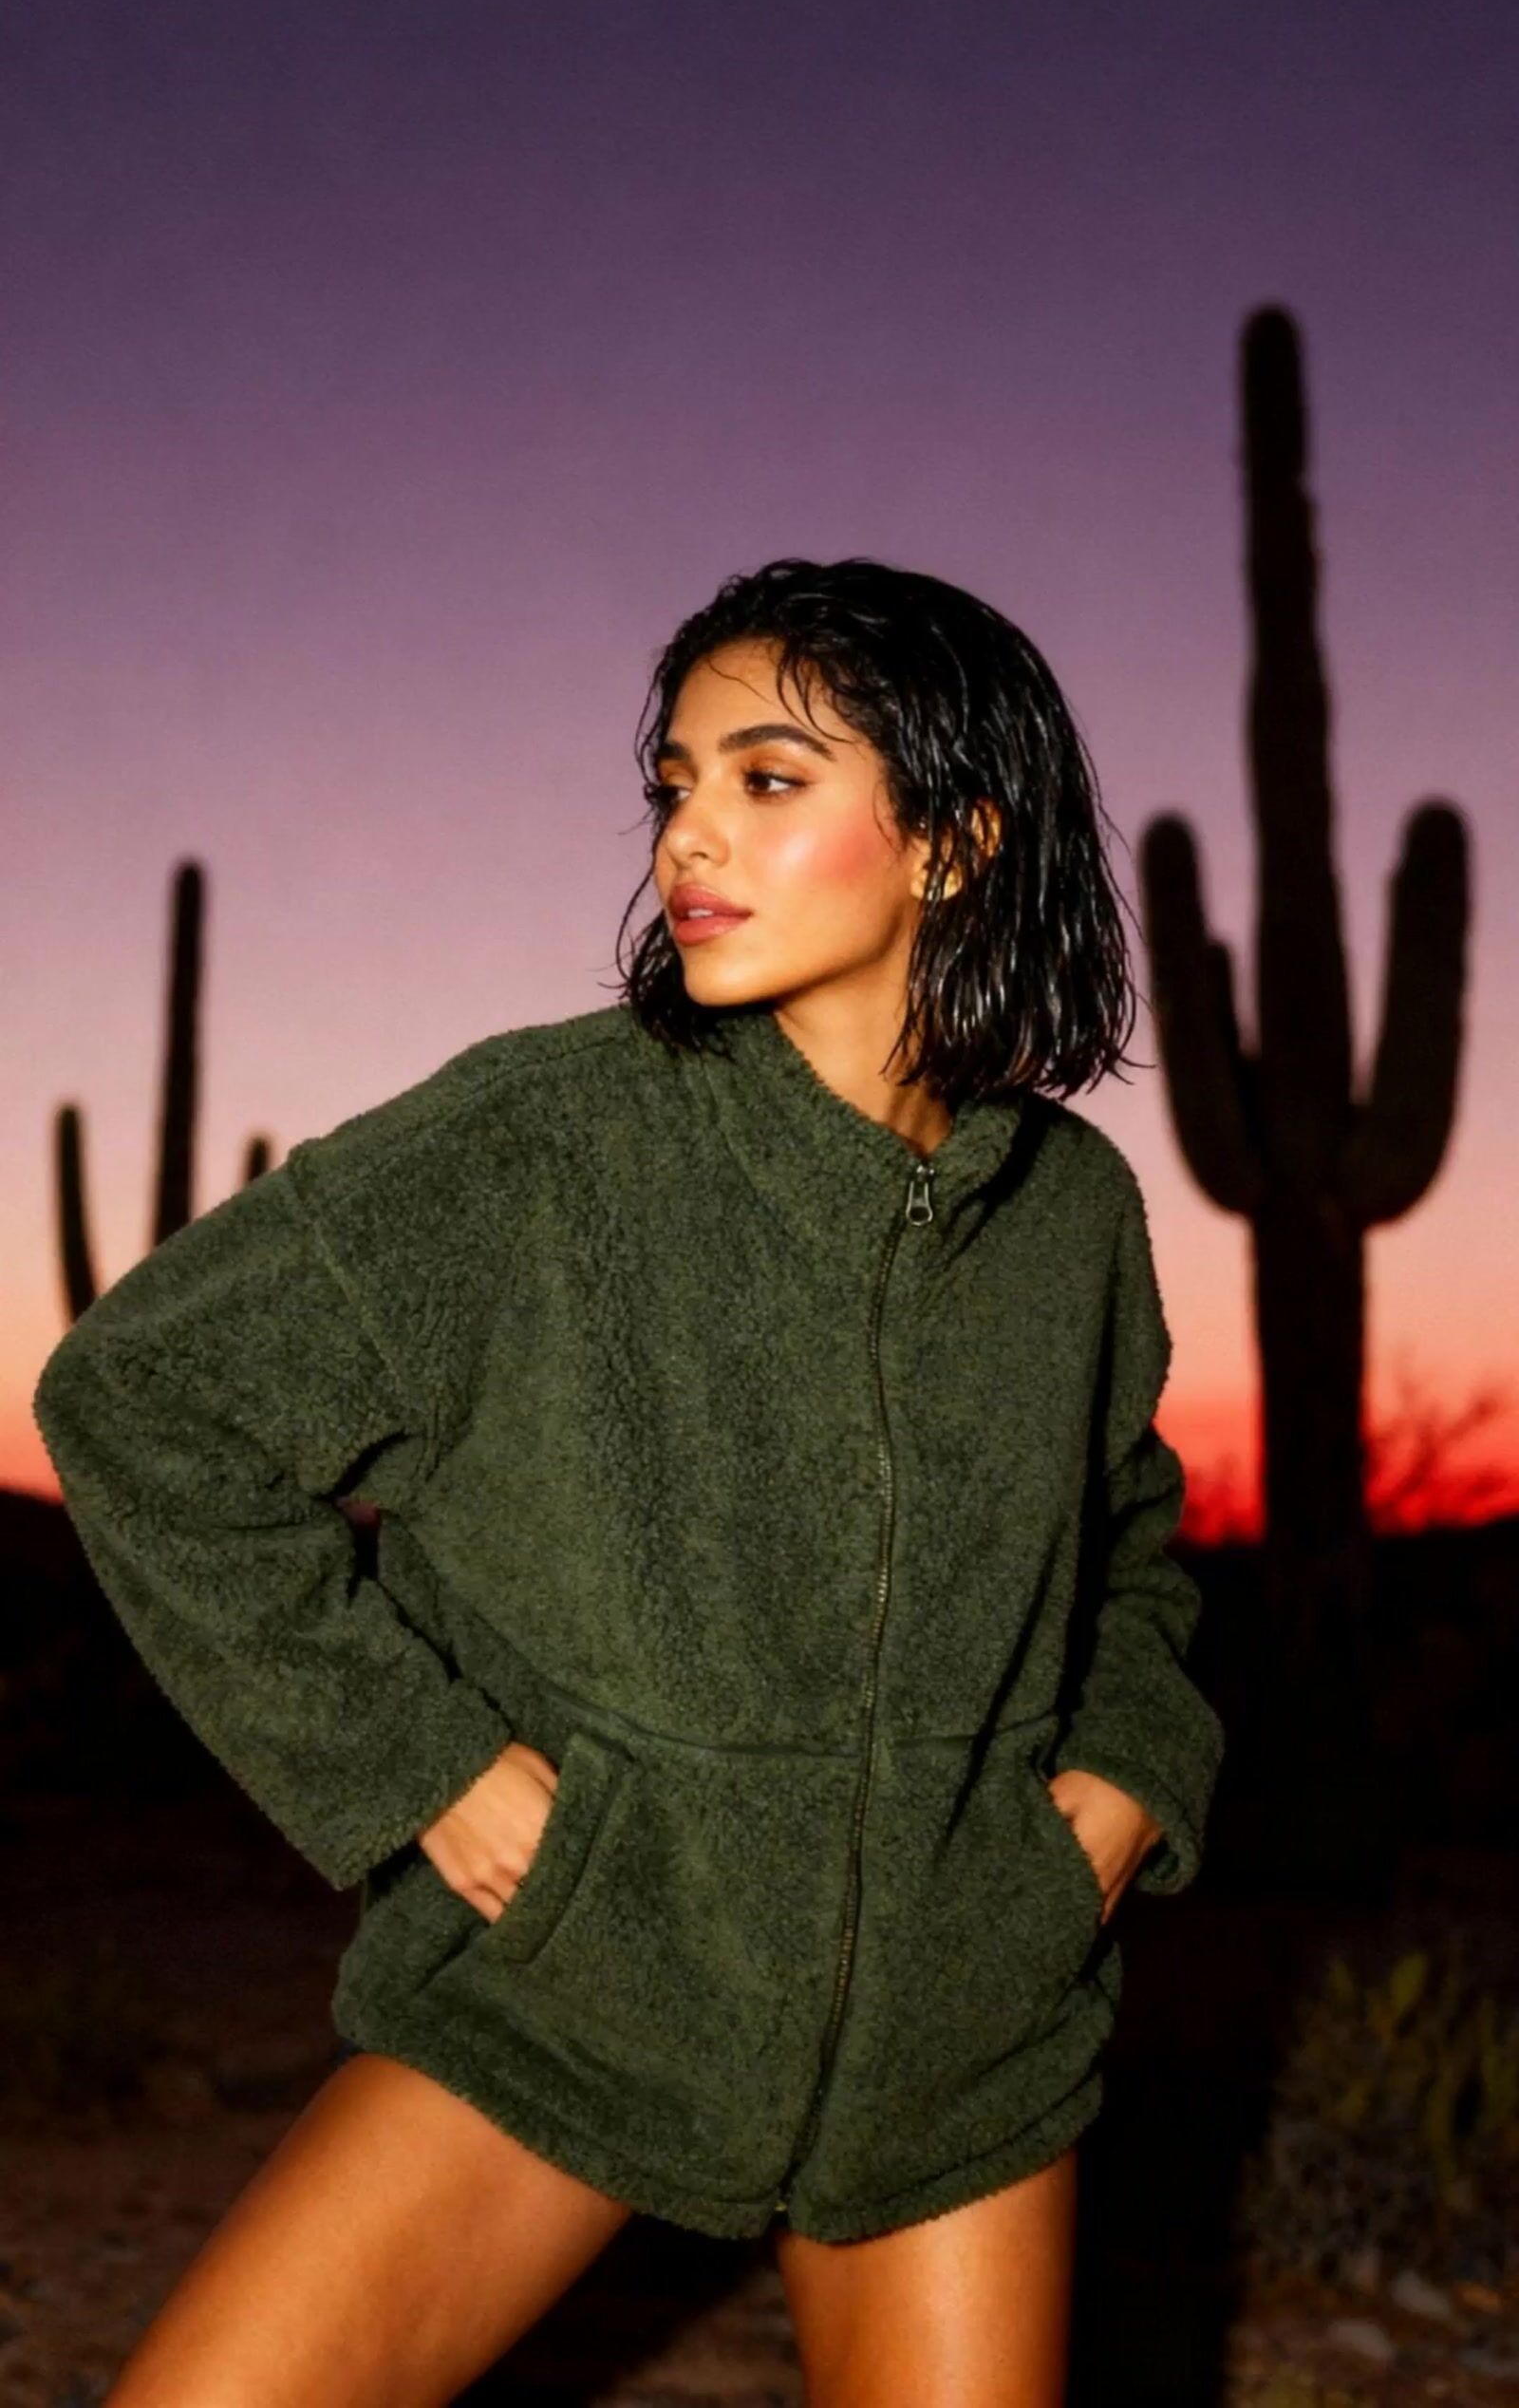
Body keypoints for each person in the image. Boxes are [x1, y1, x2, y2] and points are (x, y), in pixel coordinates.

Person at [33, 555, 1225, 2406]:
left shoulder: (1068, 1218)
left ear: (948, 843)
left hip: (950, 2035)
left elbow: (1129, 1540)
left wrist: (1122, 1782)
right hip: (577, 1991)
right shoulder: (545, 1140)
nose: (688, 837)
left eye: (763, 779)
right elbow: (142, 1400)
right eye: (673, 783)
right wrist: (404, 1759)